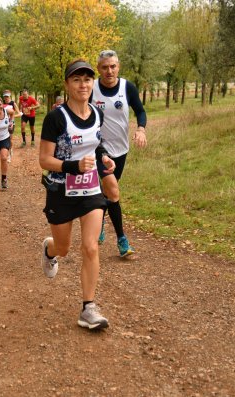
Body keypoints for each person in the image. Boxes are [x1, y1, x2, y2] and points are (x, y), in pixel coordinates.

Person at [39, 59, 116, 331]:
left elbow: (94, 144)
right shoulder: (56, 118)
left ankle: (88, 308)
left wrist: (104, 158)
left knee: (91, 247)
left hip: (90, 189)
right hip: (60, 190)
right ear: (67, 85)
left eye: (87, 79)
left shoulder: (97, 113)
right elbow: (44, 160)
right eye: (76, 79)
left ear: (92, 83)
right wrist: (72, 166)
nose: (83, 84)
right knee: (64, 247)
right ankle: (49, 251)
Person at [91, 49, 147, 257]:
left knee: (108, 191)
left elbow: (140, 111)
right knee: (112, 189)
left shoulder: (127, 87)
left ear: (118, 67)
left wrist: (141, 129)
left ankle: (100, 222)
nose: (109, 71)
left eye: (113, 66)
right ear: (98, 69)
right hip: (97, 147)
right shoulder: (92, 88)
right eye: (105, 67)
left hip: (121, 148)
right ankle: (122, 240)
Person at [2, 90, 20, 163]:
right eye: (5, 96)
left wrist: (12, 116)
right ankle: (7, 154)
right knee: (4, 139)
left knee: (10, 140)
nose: (6, 98)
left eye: (7, 96)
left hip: (11, 123)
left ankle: (9, 154)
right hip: (3, 124)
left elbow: (19, 114)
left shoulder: (13, 104)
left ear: (9, 96)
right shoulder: (1, 104)